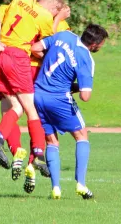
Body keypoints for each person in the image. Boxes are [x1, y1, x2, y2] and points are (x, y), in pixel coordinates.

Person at [0, 0, 66, 178]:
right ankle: (37, 155)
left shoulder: (13, 3)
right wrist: (57, 19)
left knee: (11, 108)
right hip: (23, 63)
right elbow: (47, 45)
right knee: (33, 111)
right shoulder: (44, 16)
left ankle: (13, 150)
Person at [24, 24, 108, 199]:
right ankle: (81, 184)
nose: (101, 47)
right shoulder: (85, 57)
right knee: (82, 136)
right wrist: (73, 86)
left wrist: (49, 62)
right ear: (95, 44)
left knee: (52, 141)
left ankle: (56, 188)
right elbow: (85, 96)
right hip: (59, 98)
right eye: (102, 44)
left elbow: (35, 48)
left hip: (38, 94)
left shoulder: (64, 35)